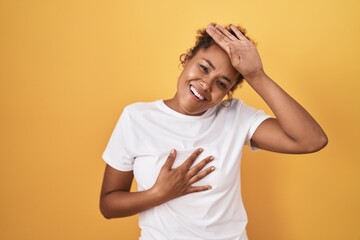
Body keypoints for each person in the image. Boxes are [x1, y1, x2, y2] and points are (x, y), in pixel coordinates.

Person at [100, 23, 328, 240]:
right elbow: (108, 205)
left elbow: (311, 140)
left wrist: (256, 75)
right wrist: (159, 193)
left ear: (228, 92)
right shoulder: (136, 117)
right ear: (187, 59)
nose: (206, 84)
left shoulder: (235, 116)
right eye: (204, 67)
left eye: (222, 84)